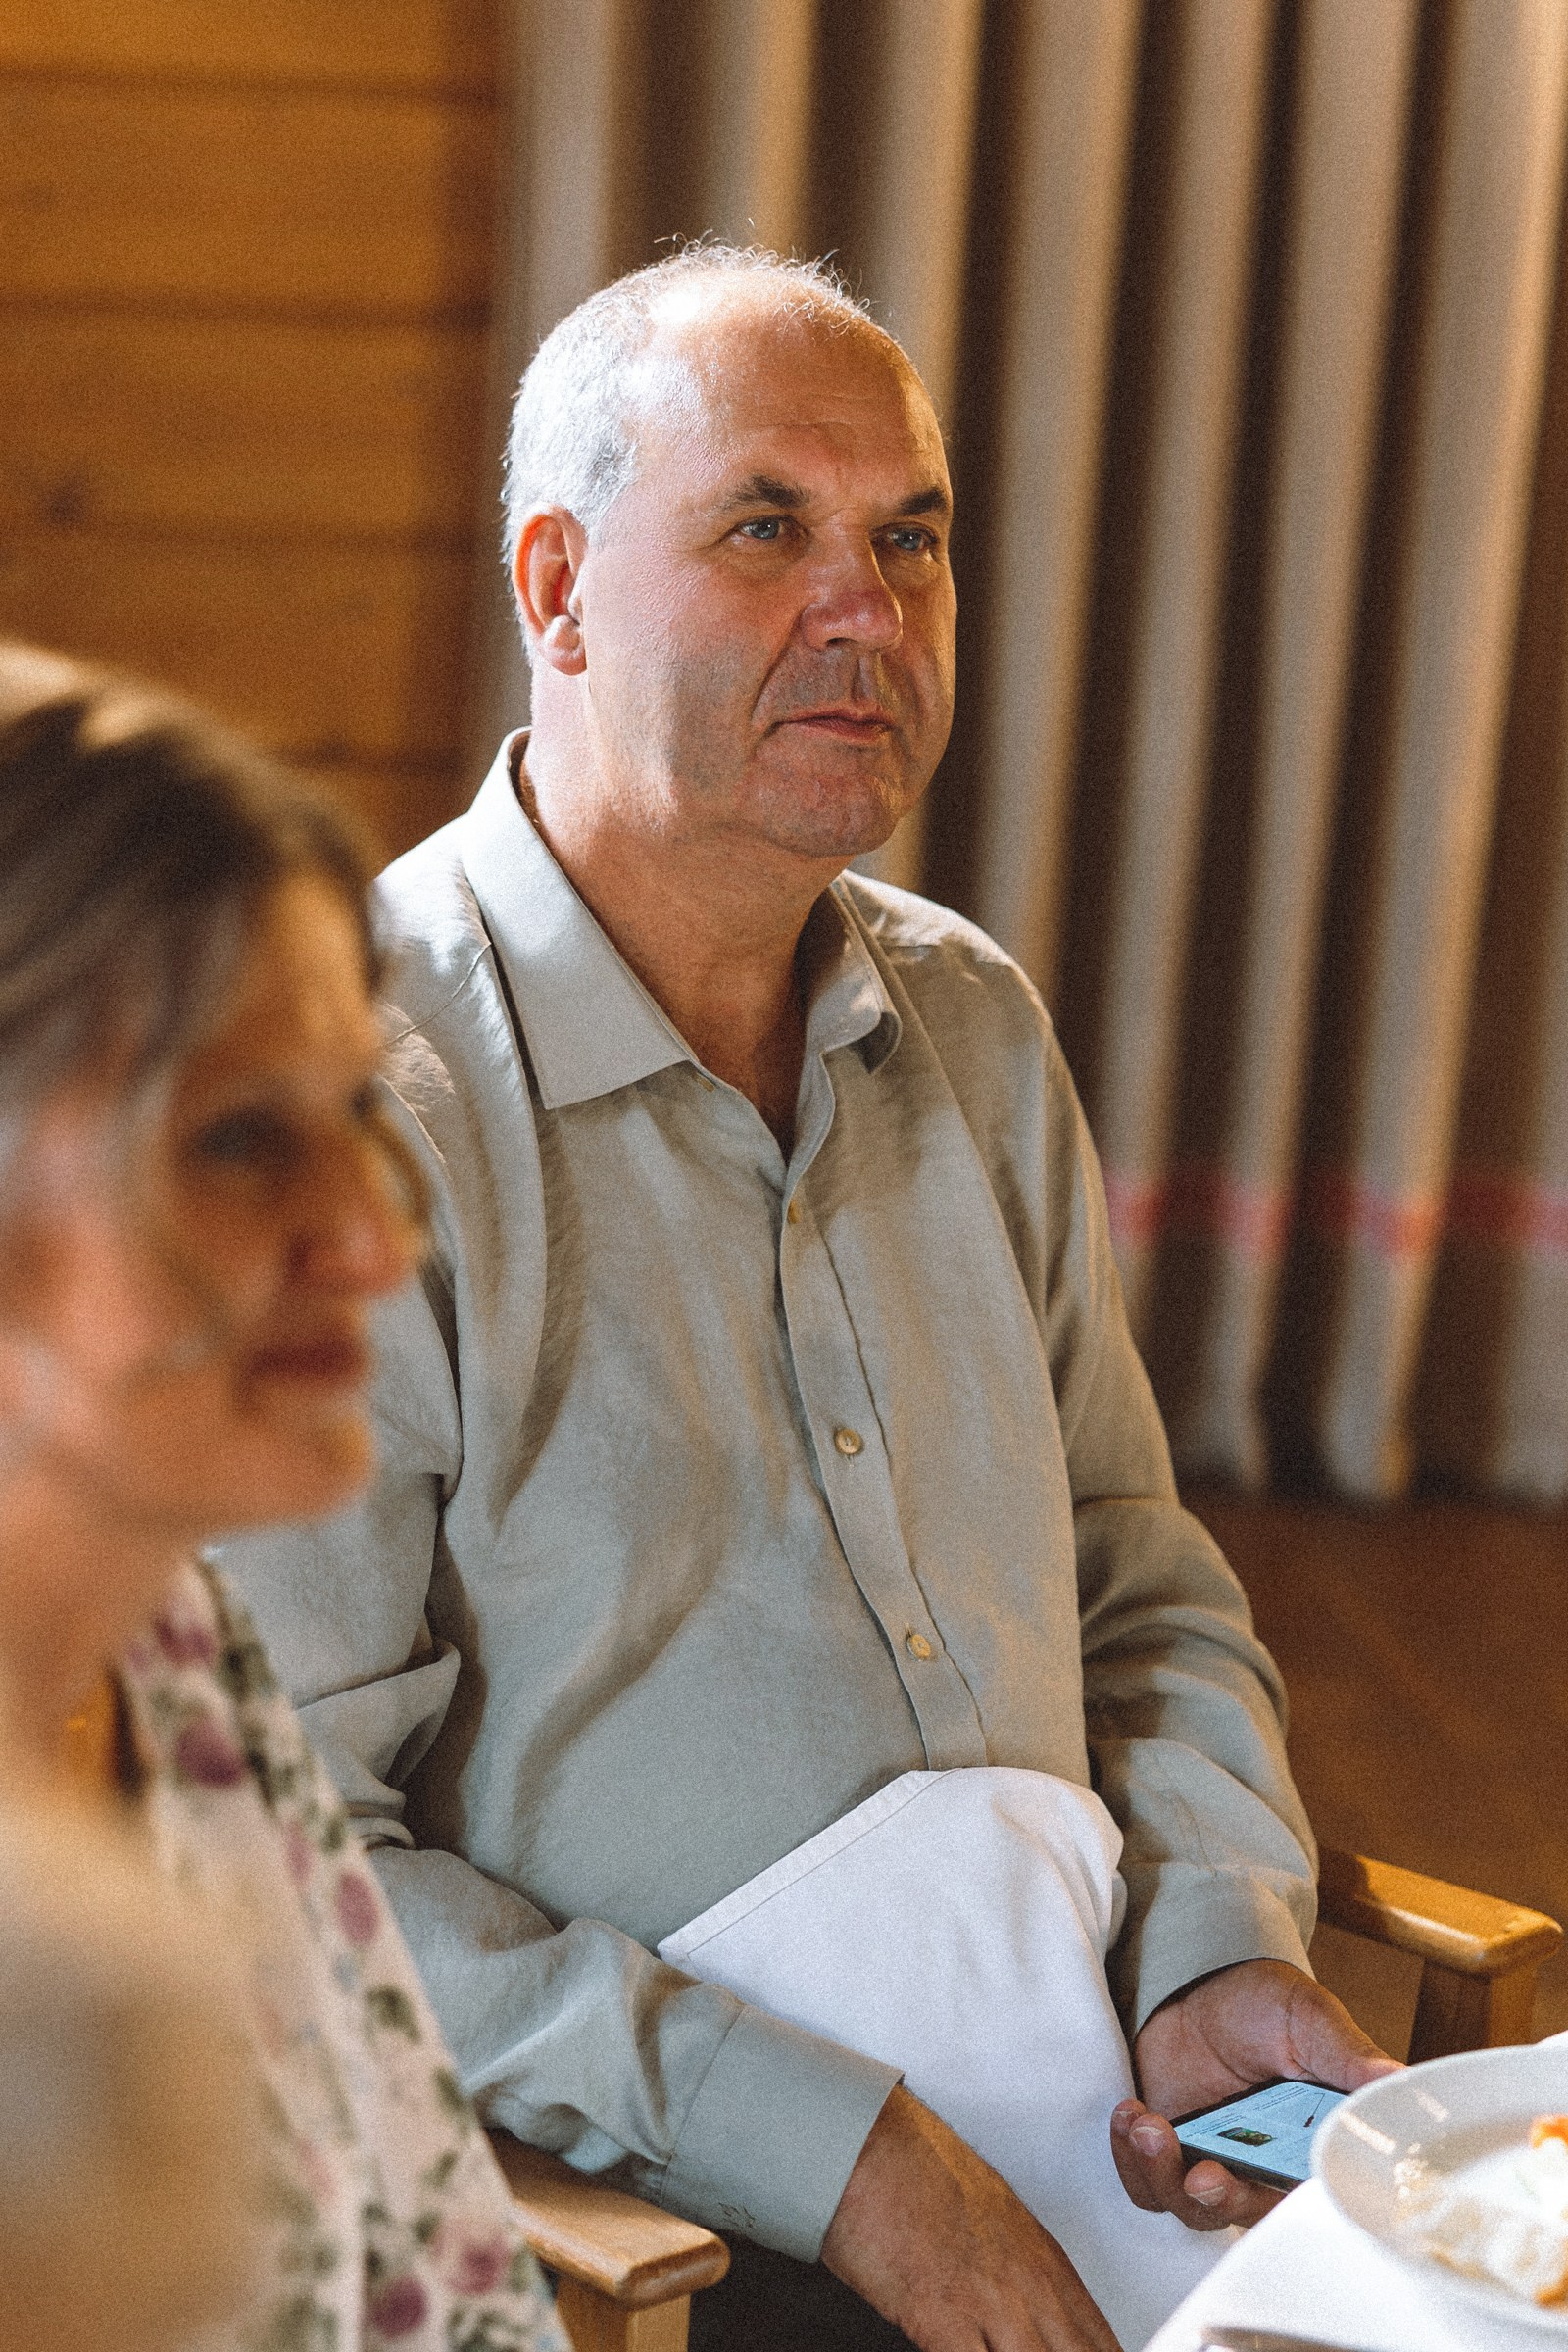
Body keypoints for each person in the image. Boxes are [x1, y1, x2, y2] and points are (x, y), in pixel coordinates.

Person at [221, 249, 1395, 2351]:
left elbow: (1135, 1577)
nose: (867, 611)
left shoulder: (970, 1021)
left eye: (908, 540)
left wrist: (1216, 1943)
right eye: (767, 530)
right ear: (558, 591)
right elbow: (274, 1863)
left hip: (1100, 2120)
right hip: (642, 2235)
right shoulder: (329, 1111)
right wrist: (838, 2159)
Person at [0, 645, 566, 2352]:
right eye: (241, 1139)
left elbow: (430, 2273)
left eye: (354, 1112)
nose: (374, 1241)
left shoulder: (173, 1648)